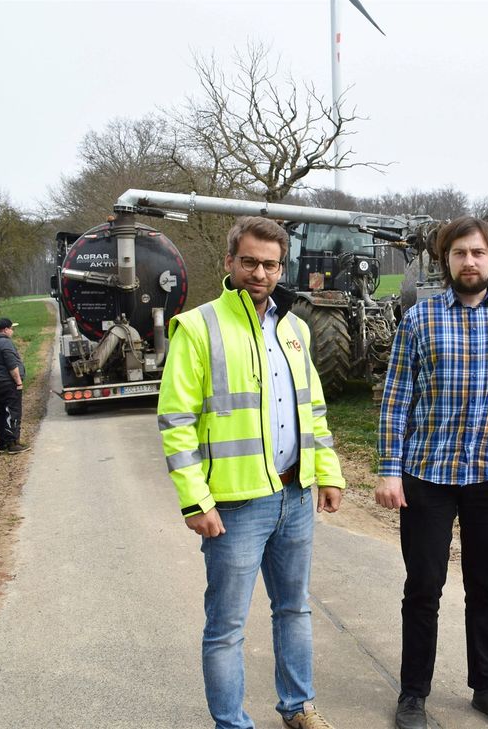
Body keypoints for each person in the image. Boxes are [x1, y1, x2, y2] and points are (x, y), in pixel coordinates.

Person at [157, 216, 345, 729]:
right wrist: (196, 501)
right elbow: (176, 423)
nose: (259, 273)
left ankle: (298, 708)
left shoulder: (296, 329)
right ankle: (231, 724)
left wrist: (327, 473)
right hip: (234, 506)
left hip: (295, 497)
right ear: (229, 262)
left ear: (281, 267)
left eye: (269, 264)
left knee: (294, 610)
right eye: (249, 262)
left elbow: (315, 411)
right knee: (226, 628)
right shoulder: (197, 327)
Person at [375, 216, 488, 729]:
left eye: (477, 253)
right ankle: (413, 695)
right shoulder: (419, 320)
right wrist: (389, 470)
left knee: (484, 587)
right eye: (458, 253)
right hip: (426, 477)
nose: (468, 261)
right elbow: (396, 400)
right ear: (445, 260)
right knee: (423, 588)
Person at [0, 317, 29, 454]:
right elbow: (12, 365)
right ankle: (13, 443)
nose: (12, 331)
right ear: (5, 330)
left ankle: (2, 442)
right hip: (9, 383)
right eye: (11, 328)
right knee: (12, 411)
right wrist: (18, 382)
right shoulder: (5, 343)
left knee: (2, 412)